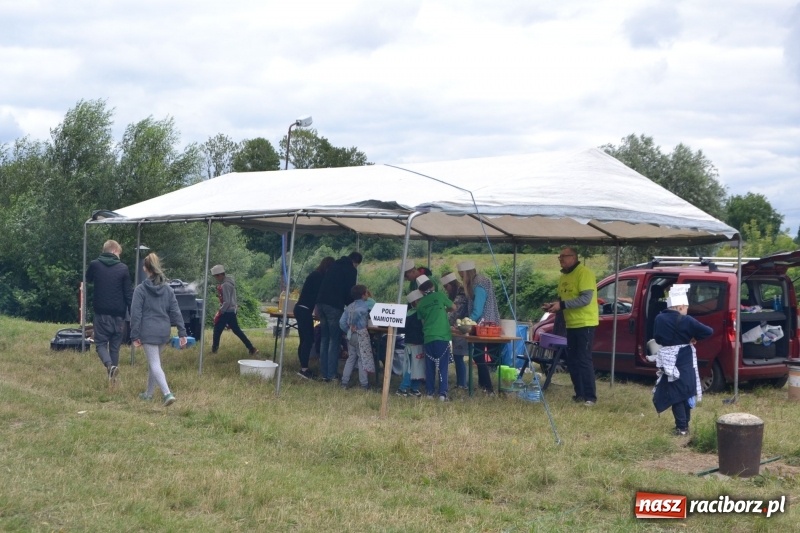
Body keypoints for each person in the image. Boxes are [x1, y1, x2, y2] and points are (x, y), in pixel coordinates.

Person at [652, 284, 712, 436]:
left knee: (674, 392)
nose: (686, 311)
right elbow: (708, 331)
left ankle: (682, 427)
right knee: (685, 391)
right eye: (685, 307)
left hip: (667, 358)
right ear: (679, 307)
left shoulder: (659, 318)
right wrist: (693, 338)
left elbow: (657, 338)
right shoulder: (687, 320)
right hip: (684, 358)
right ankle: (684, 427)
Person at [543, 247, 599, 406]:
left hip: (585, 322)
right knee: (572, 360)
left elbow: (585, 299)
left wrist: (562, 305)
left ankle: (590, 397)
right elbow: (563, 299)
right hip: (571, 323)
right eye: (559, 257)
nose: (560, 259)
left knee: (583, 359)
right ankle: (579, 394)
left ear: (573, 257)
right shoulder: (564, 276)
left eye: (563, 257)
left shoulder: (584, 273)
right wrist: (553, 305)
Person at [130, 253, 186, 407]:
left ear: (145, 269)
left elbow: (135, 314)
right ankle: (148, 394)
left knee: (154, 364)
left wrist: (134, 335)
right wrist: (182, 332)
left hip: (148, 331)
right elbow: (176, 311)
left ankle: (167, 394)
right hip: (163, 331)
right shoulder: (167, 289)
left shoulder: (140, 290)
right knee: (154, 363)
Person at [85, 239, 133, 382]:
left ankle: (109, 365)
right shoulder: (123, 268)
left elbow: (87, 279)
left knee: (100, 343)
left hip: (101, 313)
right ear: (113, 251)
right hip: (119, 314)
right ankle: (113, 377)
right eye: (119, 253)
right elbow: (128, 293)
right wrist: (133, 314)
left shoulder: (95, 265)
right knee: (115, 347)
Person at [316, 251, 363, 382]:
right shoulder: (351, 270)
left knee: (324, 338)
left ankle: (324, 373)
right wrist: (353, 306)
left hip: (321, 303)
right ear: (356, 263)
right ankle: (332, 375)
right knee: (334, 339)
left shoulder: (334, 265)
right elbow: (351, 292)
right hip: (333, 306)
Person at [457, 260, 501, 395]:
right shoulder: (479, 281)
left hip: (485, 324)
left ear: (466, 273)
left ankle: (488, 387)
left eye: (461, 275)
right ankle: (483, 385)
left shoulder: (479, 283)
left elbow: (478, 308)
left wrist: (468, 322)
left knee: (478, 354)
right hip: (485, 324)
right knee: (478, 354)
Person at [415, 275, 456, 401]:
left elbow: (422, 320)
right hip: (442, 335)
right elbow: (454, 307)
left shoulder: (420, 304)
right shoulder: (439, 296)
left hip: (428, 337)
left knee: (430, 366)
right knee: (442, 366)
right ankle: (442, 394)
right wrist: (445, 310)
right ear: (433, 287)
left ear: (421, 292)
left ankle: (429, 392)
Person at [294, 256, 335, 379]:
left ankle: (303, 366)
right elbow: (318, 296)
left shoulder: (314, 274)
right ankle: (304, 369)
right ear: (328, 267)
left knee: (303, 339)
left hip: (301, 308)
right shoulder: (318, 277)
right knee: (308, 339)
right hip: (304, 309)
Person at [210, 264, 258, 356]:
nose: (216, 278)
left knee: (217, 330)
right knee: (237, 330)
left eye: (216, 276)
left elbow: (227, 302)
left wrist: (220, 311)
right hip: (231, 310)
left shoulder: (225, 285)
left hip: (227, 311)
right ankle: (251, 348)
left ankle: (214, 351)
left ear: (220, 275)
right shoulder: (229, 283)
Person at [338, 284, 376, 390]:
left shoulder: (349, 306)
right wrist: (354, 322)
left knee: (351, 358)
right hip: (362, 334)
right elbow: (358, 312)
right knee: (362, 359)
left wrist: (348, 330)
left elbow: (341, 322)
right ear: (364, 294)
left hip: (351, 336)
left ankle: (344, 382)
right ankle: (364, 384)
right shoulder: (364, 306)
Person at [441, 272, 469, 389]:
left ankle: (462, 383)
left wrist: (442, 320)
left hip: (461, 328)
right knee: (457, 356)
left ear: (451, 284)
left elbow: (454, 314)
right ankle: (460, 382)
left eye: (446, 287)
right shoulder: (455, 294)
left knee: (458, 356)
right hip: (456, 328)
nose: (446, 290)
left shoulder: (461, 295)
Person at [396, 290, 425, 397]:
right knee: (414, 368)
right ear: (416, 302)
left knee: (414, 367)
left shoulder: (408, 314)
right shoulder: (418, 314)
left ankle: (414, 388)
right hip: (416, 344)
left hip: (409, 343)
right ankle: (403, 387)